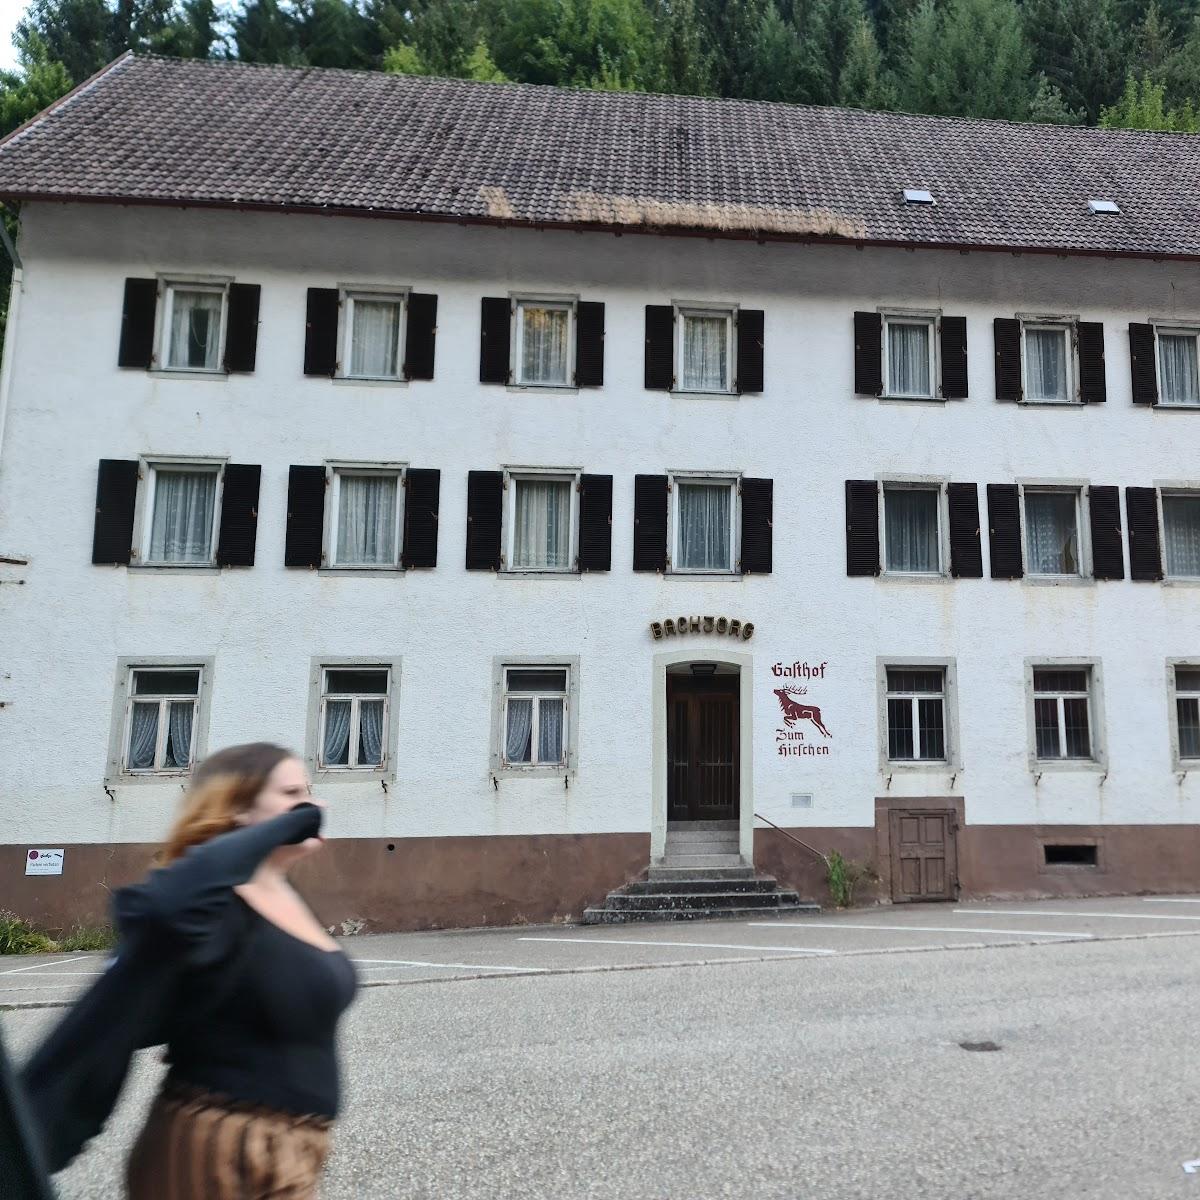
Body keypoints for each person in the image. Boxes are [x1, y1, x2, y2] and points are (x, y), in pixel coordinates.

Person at [21, 742, 358, 1200]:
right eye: (292, 794)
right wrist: (288, 826)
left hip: (293, 1146)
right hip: (219, 1148)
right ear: (238, 808)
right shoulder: (215, 906)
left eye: (309, 792)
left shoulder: (283, 895)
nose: (314, 805)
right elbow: (163, 906)